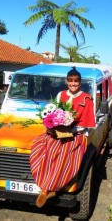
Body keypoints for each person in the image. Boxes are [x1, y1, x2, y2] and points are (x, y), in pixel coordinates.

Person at [29, 67, 96, 208]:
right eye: (70, 81)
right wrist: (53, 128)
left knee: (62, 153)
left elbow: (86, 125)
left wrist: (69, 130)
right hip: (59, 133)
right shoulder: (61, 95)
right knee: (40, 145)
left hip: (76, 135)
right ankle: (47, 186)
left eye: (76, 81)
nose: (73, 84)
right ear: (67, 82)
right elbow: (53, 113)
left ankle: (49, 188)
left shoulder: (86, 98)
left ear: (80, 82)